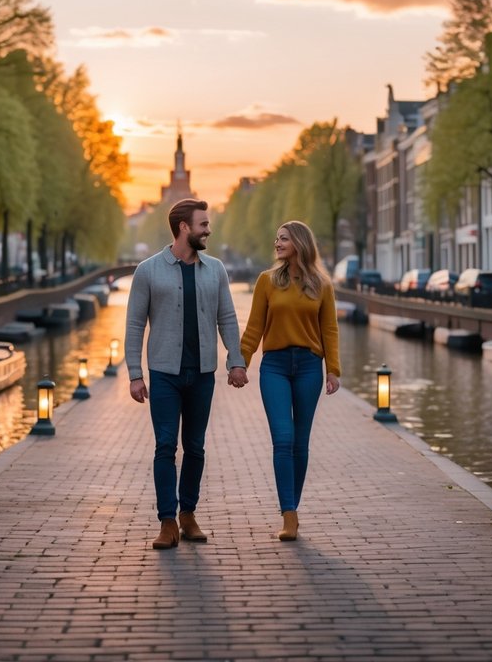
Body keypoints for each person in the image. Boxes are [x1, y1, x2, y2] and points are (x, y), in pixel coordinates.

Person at [124, 198, 249, 550]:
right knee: (165, 446)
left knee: (195, 447)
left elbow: (227, 318)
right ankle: (167, 521)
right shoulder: (148, 271)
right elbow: (134, 324)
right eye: (203, 225)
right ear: (183, 227)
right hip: (163, 373)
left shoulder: (217, 270)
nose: (208, 230)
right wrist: (135, 373)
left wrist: (235, 361)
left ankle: (188, 515)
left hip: (203, 374)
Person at [240, 220, 341, 542]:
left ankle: (292, 509)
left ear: (299, 242)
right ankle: (289, 514)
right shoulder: (266, 281)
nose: (277, 243)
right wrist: (239, 364)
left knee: (300, 443)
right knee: (283, 438)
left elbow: (329, 330)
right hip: (275, 367)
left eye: (283, 238)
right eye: (277, 238)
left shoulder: (322, 285)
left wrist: (333, 369)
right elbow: (254, 327)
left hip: (310, 367)